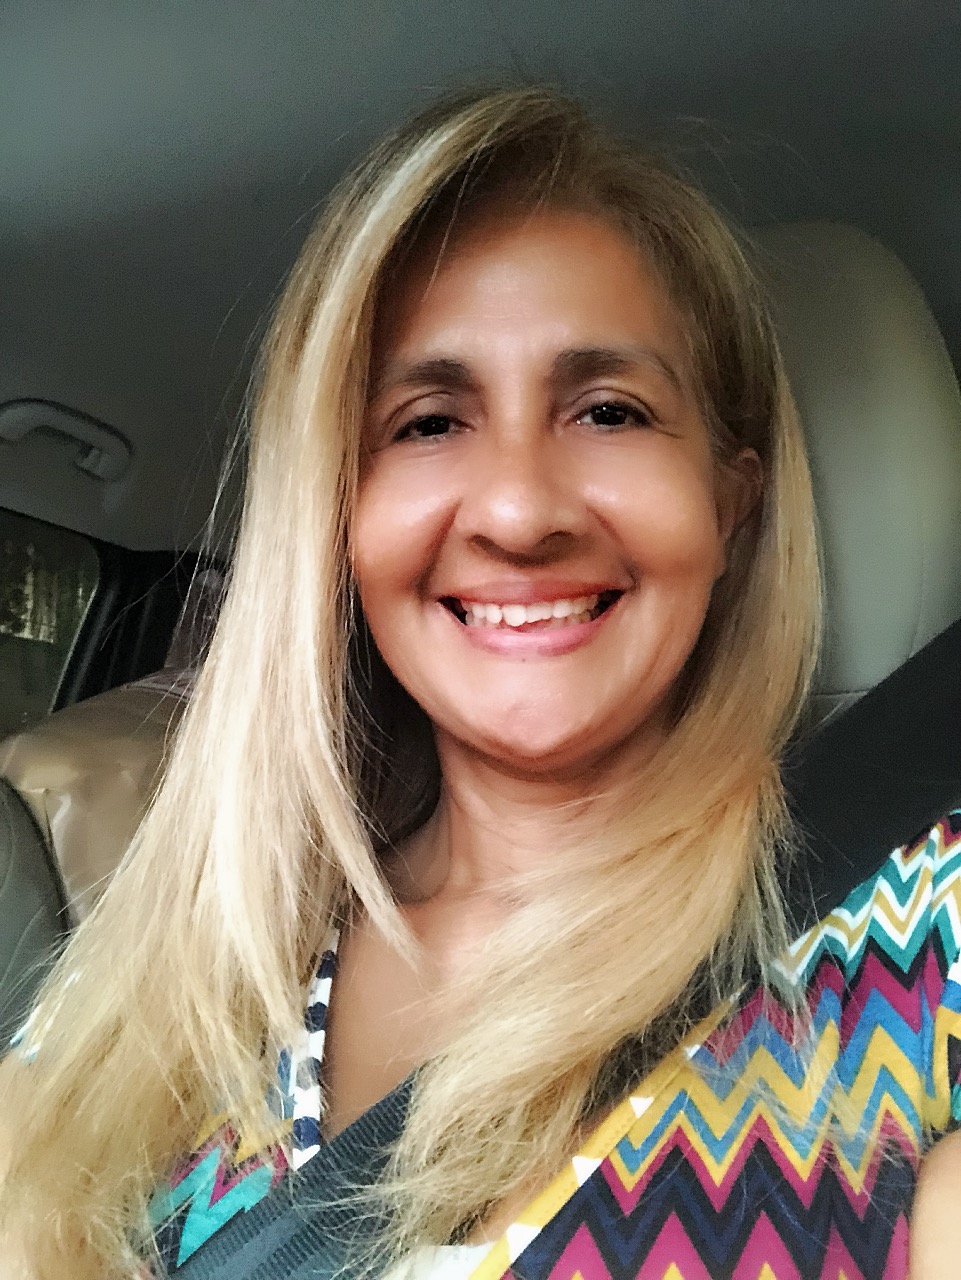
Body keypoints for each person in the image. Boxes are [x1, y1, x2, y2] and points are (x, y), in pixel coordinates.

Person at [1, 85, 960, 1280]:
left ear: (730, 502)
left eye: (608, 410)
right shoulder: (181, 955)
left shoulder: (918, 938)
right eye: (426, 422)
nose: (516, 510)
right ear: (336, 518)